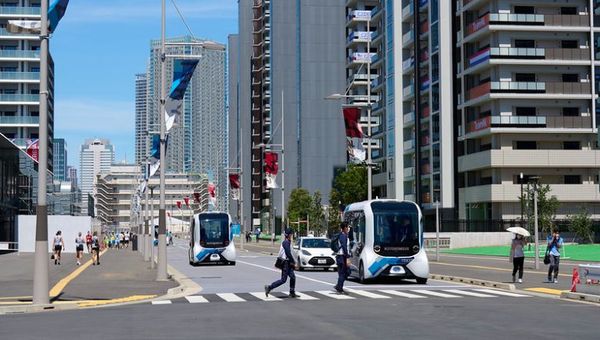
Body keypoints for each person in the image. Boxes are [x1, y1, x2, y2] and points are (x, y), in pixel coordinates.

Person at [265, 228, 298, 298]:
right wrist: (293, 261)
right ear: (289, 235)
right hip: (286, 263)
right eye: (291, 234)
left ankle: (292, 292)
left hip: (288, 262)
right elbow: (288, 253)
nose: (292, 235)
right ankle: (269, 287)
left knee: (293, 277)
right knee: (283, 280)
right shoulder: (286, 242)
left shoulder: (287, 241)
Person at [334, 222, 351, 294]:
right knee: (344, 272)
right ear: (345, 228)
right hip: (342, 256)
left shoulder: (343, 235)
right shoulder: (343, 236)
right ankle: (339, 287)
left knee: (345, 272)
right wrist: (347, 257)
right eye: (348, 227)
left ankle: (339, 286)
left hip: (341, 256)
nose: (349, 228)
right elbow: (344, 246)